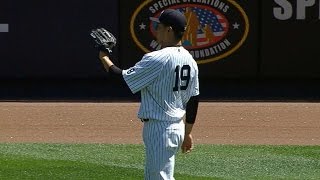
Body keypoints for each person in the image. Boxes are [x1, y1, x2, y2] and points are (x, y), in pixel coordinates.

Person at [98, 9, 200, 180]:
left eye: (159, 26)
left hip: (161, 129)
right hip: (176, 126)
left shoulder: (157, 58)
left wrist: (103, 56)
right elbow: (194, 100)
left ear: (169, 30)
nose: (156, 29)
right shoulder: (190, 60)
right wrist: (188, 133)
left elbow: (120, 79)